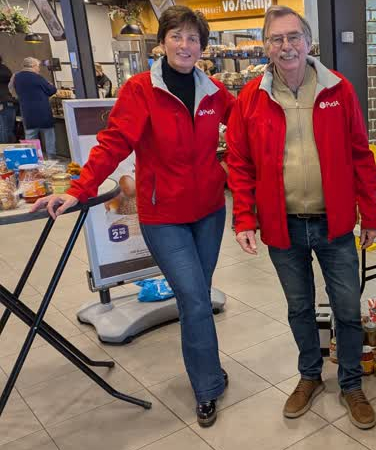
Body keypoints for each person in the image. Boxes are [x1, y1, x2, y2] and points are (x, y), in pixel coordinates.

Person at [31, 5, 235, 428]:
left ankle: (207, 369)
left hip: (211, 213)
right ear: (162, 42)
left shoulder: (216, 92)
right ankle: (207, 387)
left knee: (198, 295)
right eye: (177, 36)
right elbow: (112, 143)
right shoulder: (142, 90)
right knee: (195, 301)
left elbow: (250, 126)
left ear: (202, 47)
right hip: (164, 217)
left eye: (193, 38)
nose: (185, 45)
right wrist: (78, 189)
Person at [225, 5, 376, 430]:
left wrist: (370, 214)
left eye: (293, 37)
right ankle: (310, 376)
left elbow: (360, 156)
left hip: (334, 223)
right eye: (277, 39)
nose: (286, 46)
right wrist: (244, 218)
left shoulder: (338, 89)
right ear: (266, 46)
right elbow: (238, 162)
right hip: (282, 224)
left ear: (308, 41)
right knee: (299, 308)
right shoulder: (251, 99)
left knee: (347, 309)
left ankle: (351, 384)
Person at [11, 57, 56, 156]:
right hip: (43, 111)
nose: (39, 69)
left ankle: (31, 158)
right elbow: (51, 90)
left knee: (30, 136)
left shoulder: (16, 77)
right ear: (33, 66)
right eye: (38, 66)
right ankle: (52, 158)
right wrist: (50, 85)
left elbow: (12, 90)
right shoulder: (37, 77)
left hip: (27, 112)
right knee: (49, 135)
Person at [0, 55, 16, 143]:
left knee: (2, 129)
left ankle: (3, 153)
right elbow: (10, 85)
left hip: (2, 103)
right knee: (9, 129)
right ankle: (10, 152)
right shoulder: (6, 69)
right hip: (9, 101)